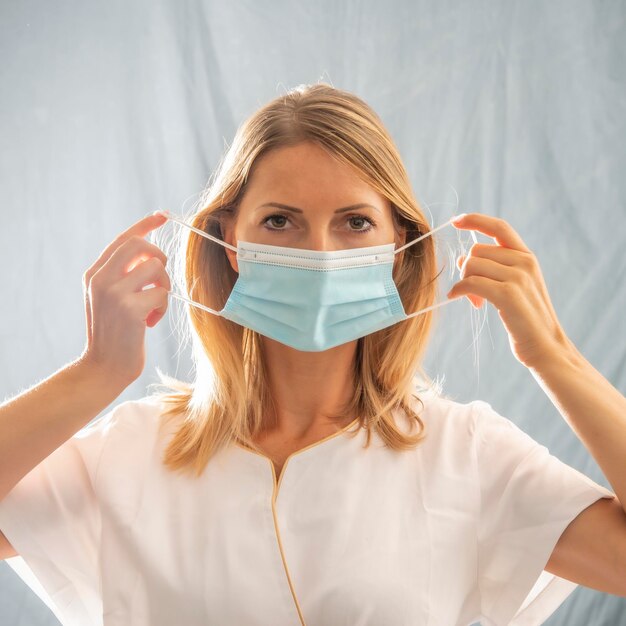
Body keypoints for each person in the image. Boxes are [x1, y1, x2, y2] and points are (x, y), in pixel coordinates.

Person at [0, 83, 624, 626]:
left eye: (354, 222)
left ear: (400, 246)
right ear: (230, 241)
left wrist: (556, 357)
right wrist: (96, 374)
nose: (320, 255)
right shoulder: (128, 452)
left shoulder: (467, 454)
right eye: (280, 222)